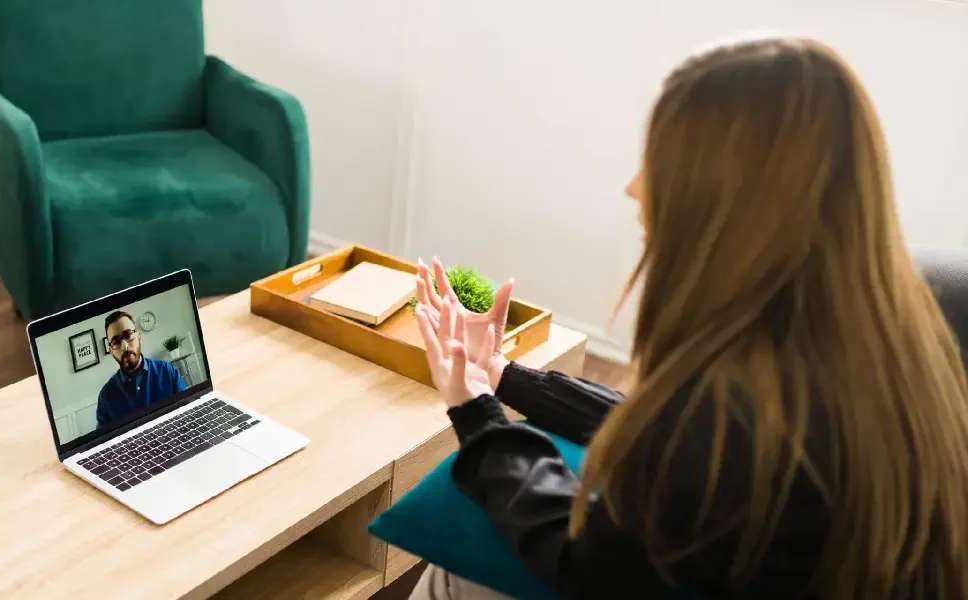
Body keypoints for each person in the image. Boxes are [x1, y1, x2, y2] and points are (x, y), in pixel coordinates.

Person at [409, 37, 968, 599]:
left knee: (452, 577)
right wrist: (502, 375)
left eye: (661, 164)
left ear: (728, 198)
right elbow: (661, 435)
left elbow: (589, 565)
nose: (634, 187)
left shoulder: (727, 405)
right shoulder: (884, 329)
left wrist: (476, 414)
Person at [96, 311, 188, 427]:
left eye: (128, 335)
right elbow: (105, 436)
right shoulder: (106, 397)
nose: (125, 346)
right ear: (111, 351)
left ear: (139, 337)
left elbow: (187, 412)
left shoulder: (167, 371)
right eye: (116, 342)